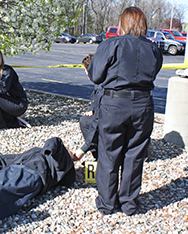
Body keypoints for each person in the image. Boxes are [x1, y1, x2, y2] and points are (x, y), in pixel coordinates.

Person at [83, 7, 163, 216]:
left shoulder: (111, 44)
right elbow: (155, 71)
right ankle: (128, 202)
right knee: (135, 154)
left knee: (109, 152)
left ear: (122, 24)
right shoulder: (153, 48)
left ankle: (107, 203)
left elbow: (96, 74)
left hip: (114, 104)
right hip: (143, 104)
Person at [74, 54, 99, 161]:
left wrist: (83, 149)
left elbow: (98, 121)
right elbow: (95, 98)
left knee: (85, 122)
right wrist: (92, 109)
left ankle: (98, 154)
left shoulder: (103, 86)